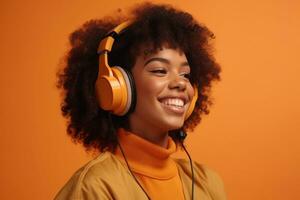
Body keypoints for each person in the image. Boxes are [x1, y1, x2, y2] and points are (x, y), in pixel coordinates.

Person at [54, 2, 227, 200]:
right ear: (119, 88)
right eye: (160, 70)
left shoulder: (207, 183)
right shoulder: (93, 187)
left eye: (186, 75)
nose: (180, 83)